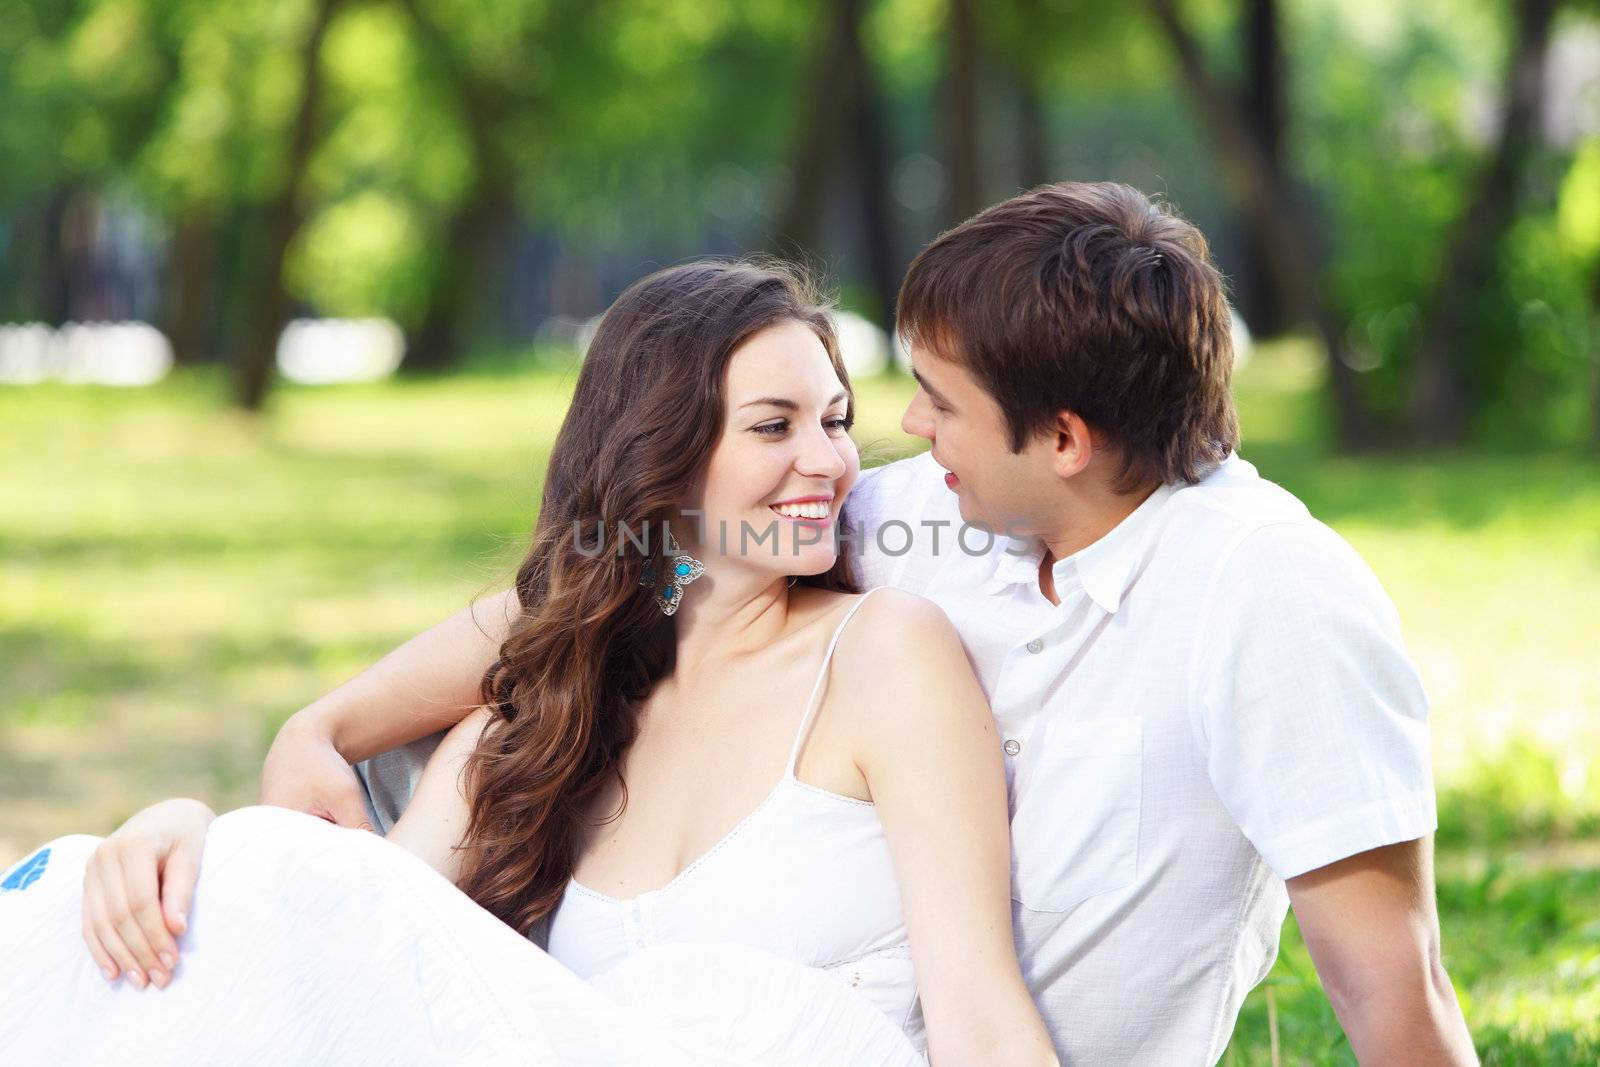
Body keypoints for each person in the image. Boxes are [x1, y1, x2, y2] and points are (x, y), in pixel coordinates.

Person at [0, 261, 1056, 1066]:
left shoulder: (880, 654)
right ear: (659, 452)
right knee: (108, 901)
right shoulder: (545, 722)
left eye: (834, 420)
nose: (828, 462)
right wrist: (191, 835)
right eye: (773, 425)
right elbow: (331, 937)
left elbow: (978, 1006)